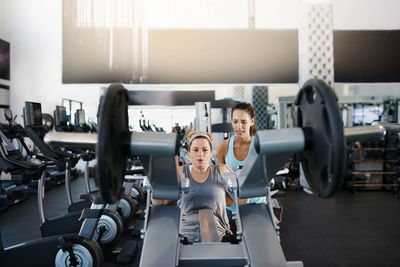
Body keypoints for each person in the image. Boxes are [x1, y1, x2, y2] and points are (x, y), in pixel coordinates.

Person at [152, 130, 246, 243]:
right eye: (195, 150)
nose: (200, 154)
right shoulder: (180, 172)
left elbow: (241, 201)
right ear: (189, 153)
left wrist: (248, 178)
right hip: (185, 237)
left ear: (211, 152)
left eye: (205, 150)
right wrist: (157, 177)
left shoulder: (221, 170)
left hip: (220, 235)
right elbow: (159, 203)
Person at [217, 102, 266, 207]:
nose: (239, 126)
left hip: (257, 206)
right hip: (232, 208)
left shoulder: (260, 146)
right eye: (235, 122)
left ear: (252, 121)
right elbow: (220, 181)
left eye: (243, 122)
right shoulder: (223, 147)